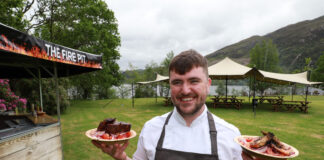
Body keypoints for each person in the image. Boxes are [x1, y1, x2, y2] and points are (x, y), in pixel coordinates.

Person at [92, 49, 244, 160]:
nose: (185, 90)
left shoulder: (231, 136)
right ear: (170, 85)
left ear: (208, 84)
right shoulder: (151, 128)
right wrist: (122, 157)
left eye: (194, 81)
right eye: (177, 82)